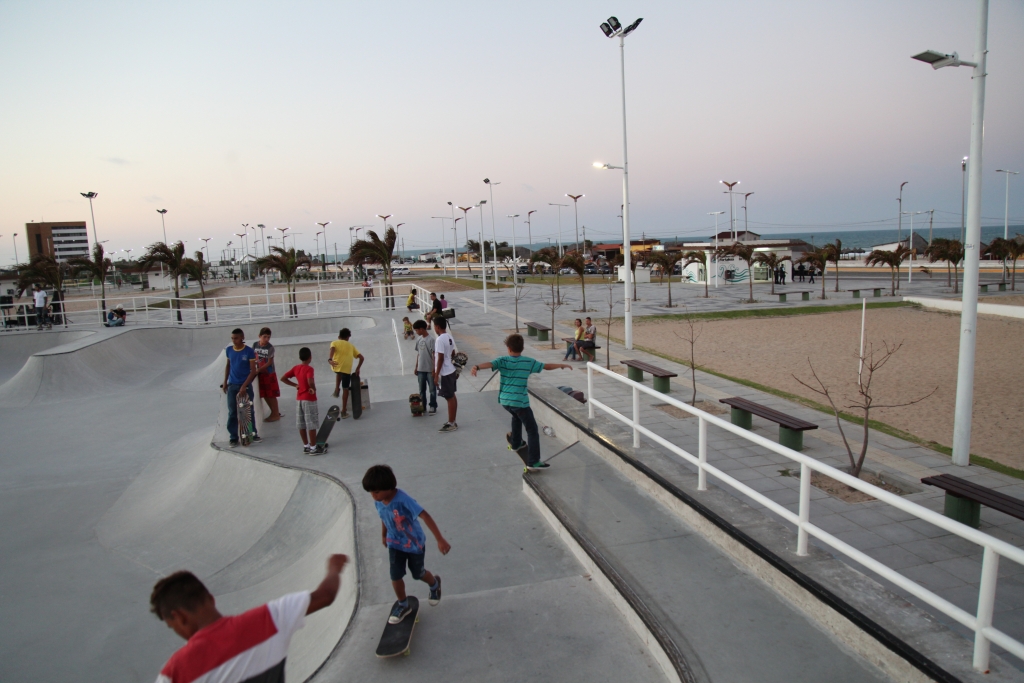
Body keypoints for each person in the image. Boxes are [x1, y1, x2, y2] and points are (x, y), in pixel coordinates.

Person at [150, 553, 349, 683]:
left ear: (179, 616)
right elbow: (325, 596)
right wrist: (334, 567)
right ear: (211, 599)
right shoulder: (270, 619)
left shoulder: (174, 673)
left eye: (171, 626)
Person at [362, 465, 449, 625]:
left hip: (414, 544)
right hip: (395, 543)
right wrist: (383, 534)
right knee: (395, 575)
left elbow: (425, 515)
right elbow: (384, 517)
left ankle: (434, 584)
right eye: (371, 493)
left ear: (388, 487)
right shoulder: (379, 501)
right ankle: (403, 604)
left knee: (418, 574)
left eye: (376, 492)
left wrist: (440, 539)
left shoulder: (403, 500)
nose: (373, 496)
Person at [471, 334, 571, 470]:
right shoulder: (528, 362)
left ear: (509, 348)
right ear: (522, 348)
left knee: (516, 416)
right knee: (532, 430)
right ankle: (533, 461)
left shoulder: (503, 360)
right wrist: (560, 365)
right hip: (520, 402)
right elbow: (546, 366)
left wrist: (476, 366)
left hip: (505, 401)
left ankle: (516, 443)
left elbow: (490, 364)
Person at [221, 328, 261, 447]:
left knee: (248, 411)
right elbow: (228, 365)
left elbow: (253, 371)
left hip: (245, 385)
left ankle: (252, 433)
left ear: (242, 338)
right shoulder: (229, 350)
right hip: (232, 385)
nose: (234, 340)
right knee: (232, 412)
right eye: (232, 338)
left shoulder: (249, 351)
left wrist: (244, 386)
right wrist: (225, 382)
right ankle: (233, 437)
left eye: (236, 338)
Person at [281, 347, 322, 455]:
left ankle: (306, 446)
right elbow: (310, 381)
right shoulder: (309, 369)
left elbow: (283, 378)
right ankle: (314, 448)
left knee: (302, 423)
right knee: (311, 423)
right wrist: (313, 388)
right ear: (310, 357)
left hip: (299, 399)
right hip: (309, 398)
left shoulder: (296, 368)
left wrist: (295, 385)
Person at [328, 328, 364, 418]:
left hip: (335, 367)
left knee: (338, 372)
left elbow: (332, 349)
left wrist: (330, 359)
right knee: (346, 389)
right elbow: (362, 358)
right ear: (348, 337)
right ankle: (343, 411)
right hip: (346, 370)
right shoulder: (351, 346)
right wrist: (357, 368)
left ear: (339, 337)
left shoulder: (334, 342)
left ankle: (336, 390)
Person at [433, 317, 458, 432]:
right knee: (452, 395)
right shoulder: (449, 337)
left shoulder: (439, 340)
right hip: (451, 369)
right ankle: (452, 420)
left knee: (449, 397)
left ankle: (451, 423)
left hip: (445, 372)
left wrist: (436, 374)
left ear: (437, 327)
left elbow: (440, 358)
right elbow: (453, 353)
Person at [253, 327, 282, 422]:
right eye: (264, 337)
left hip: (269, 373)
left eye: (268, 337)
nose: (266, 339)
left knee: (271, 395)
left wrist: (259, 369)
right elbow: (253, 358)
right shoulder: (255, 345)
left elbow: (270, 362)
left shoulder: (270, 347)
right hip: (260, 373)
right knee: (265, 394)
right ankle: (273, 412)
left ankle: (275, 413)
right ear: (259, 336)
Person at [412, 320, 437, 416]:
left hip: (429, 369)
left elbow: (434, 355)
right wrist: (416, 367)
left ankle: (433, 405)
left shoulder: (431, 340)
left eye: (417, 330)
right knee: (421, 390)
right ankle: (423, 406)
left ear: (422, 329)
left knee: (432, 389)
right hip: (420, 369)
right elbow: (419, 354)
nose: (416, 332)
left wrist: (434, 369)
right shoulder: (419, 339)